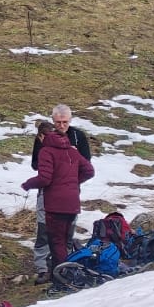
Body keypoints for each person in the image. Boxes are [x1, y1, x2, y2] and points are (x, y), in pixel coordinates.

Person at [28, 104, 92, 282]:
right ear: (53, 120)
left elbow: (87, 164)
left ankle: (66, 265)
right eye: (58, 122)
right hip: (47, 191)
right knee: (44, 229)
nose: (61, 126)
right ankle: (43, 267)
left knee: (67, 231)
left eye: (65, 122)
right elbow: (35, 164)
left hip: (70, 192)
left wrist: (72, 180)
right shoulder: (43, 137)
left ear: (70, 121)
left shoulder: (77, 136)